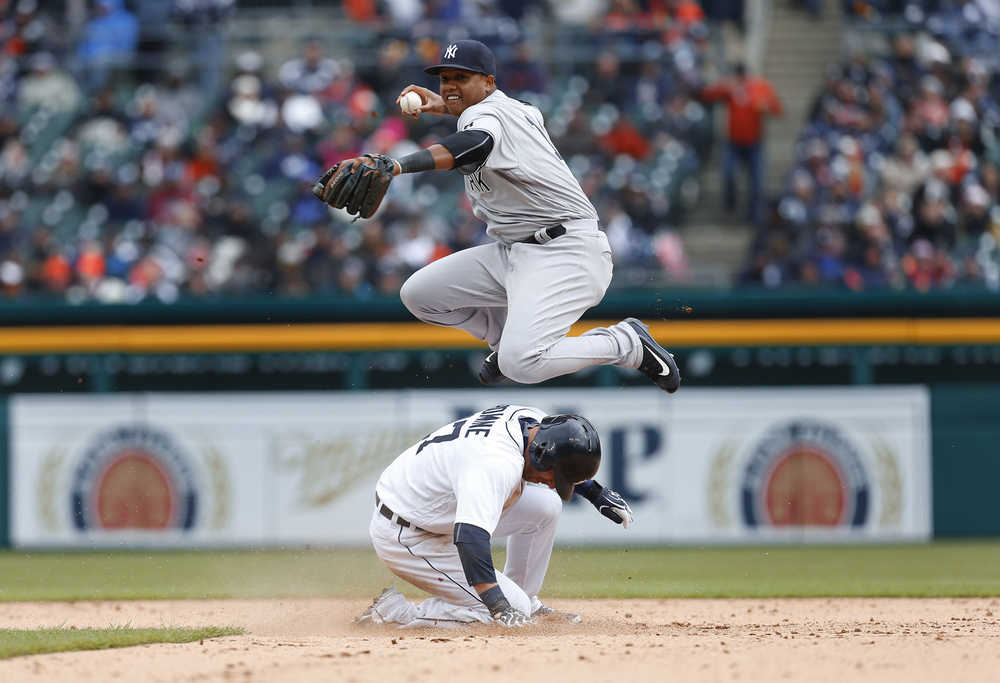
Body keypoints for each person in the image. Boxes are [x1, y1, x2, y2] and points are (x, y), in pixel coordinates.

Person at [317, 40, 680, 393]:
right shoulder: (512, 110)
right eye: (446, 79)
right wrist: (447, 105)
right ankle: (502, 337)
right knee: (419, 294)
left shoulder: (485, 119)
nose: (451, 85)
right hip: (516, 252)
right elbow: (496, 116)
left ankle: (626, 343)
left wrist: (395, 165)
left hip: (565, 252)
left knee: (521, 364)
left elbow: (476, 143)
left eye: (462, 78)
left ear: (489, 81)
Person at [358, 404, 633, 627]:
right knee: (504, 609)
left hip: (433, 508)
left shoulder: (534, 423)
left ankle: (526, 600)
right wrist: (499, 607)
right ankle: (395, 613)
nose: (553, 483)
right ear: (539, 456)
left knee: (547, 506)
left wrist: (595, 492)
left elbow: (557, 457)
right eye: (555, 476)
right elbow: (469, 538)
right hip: (408, 535)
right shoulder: (495, 464)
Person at [700, 62, 783, 225]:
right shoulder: (730, 87)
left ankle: (752, 216)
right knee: (728, 174)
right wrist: (725, 85)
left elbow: (778, 109)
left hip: (754, 142)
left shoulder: (760, 87)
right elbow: (708, 95)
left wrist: (767, 107)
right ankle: (730, 209)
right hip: (733, 142)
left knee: (757, 181)